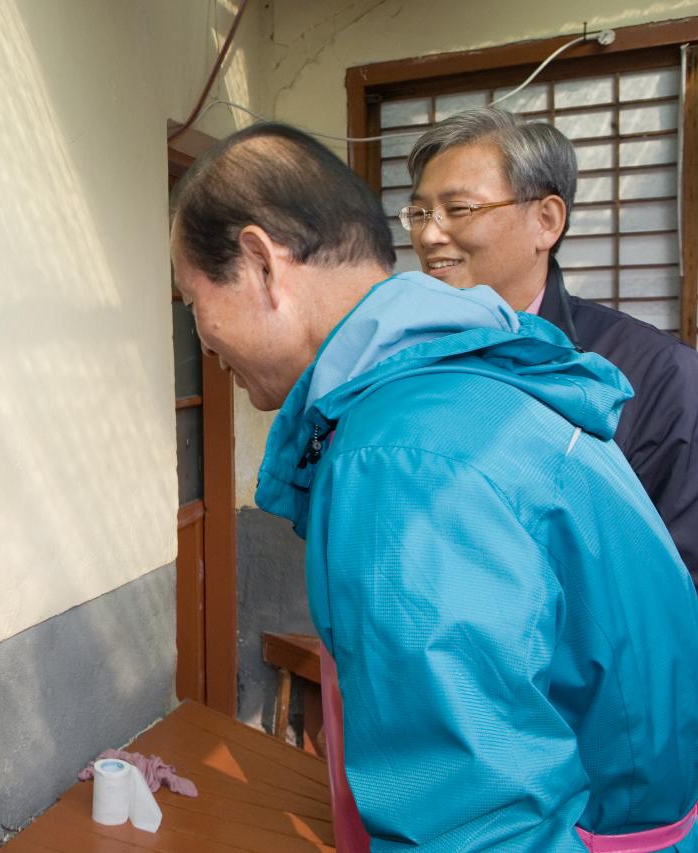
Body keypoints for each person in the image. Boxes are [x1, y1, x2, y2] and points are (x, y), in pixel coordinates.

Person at [170, 122, 698, 851]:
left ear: (263, 264)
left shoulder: (398, 456)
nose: (201, 335)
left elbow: (477, 823)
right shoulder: (465, 380)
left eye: (191, 298)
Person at [405, 106, 698, 583]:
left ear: (546, 220)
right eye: (419, 213)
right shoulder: (412, 360)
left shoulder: (661, 376)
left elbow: (677, 583)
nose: (429, 234)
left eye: (458, 210)